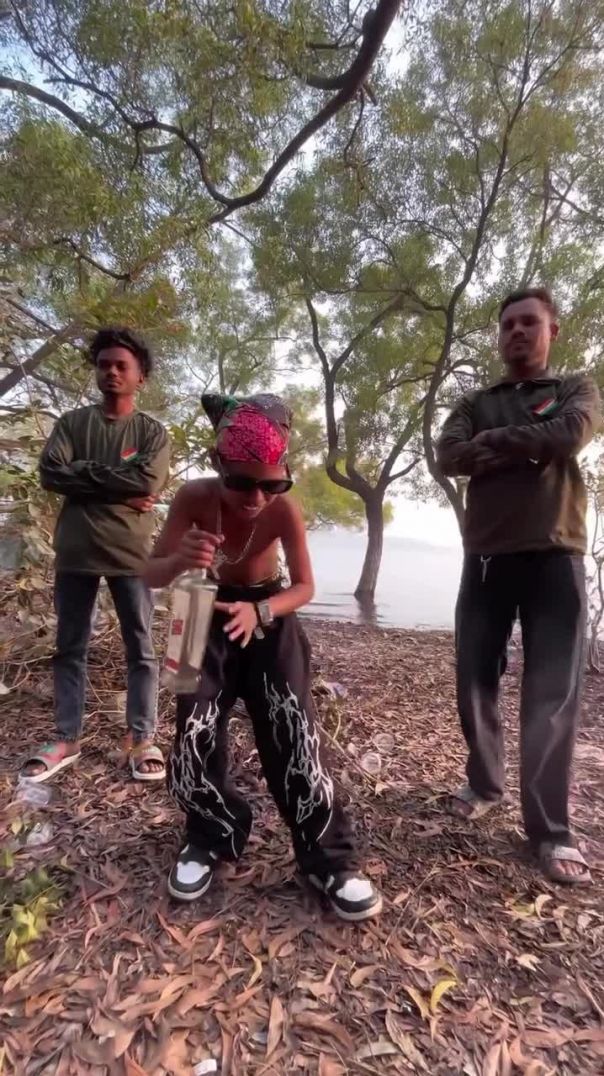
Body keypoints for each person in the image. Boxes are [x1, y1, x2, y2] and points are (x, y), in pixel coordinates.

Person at [143, 392, 382, 921]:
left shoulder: (284, 510)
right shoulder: (192, 497)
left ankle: (328, 859)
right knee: (194, 727)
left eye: (272, 484)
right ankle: (209, 835)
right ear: (217, 463)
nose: (256, 497)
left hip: (269, 612)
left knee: (294, 728)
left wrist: (262, 612)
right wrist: (179, 560)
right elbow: (150, 573)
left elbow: (305, 586)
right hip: (196, 605)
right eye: (241, 482)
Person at [436, 287, 601, 886]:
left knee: (552, 693)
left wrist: (492, 444)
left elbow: (570, 434)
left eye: (530, 322)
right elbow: (447, 454)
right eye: (508, 325)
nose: (517, 332)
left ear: (552, 330)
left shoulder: (575, 388)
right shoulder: (475, 401)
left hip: (556, 555)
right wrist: (526, 443)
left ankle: (551, 830)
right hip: (486, 556)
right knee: (475, 677)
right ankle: (485, 783)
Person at [21, 327, 170, 784]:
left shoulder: (150, 432)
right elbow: (51, 473)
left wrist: (83, 474)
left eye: (122, 366)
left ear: (140, 376)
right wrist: (118, 487)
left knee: (140, 648)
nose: (111, 372)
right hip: (76, 552)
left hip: (131, 555)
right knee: (70, 647)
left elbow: (147, 481)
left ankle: (141, 737)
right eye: (104, 364)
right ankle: (66, 738)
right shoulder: (72, 424)